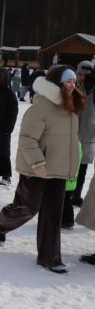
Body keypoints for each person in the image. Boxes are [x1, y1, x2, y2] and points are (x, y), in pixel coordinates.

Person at [0, 66, 84, 274]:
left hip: (58, 171)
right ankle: (1, 222)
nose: (73, 85)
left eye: (74, 82)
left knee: (53, 215)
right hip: (36, 170)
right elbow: (26, 139)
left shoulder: (71, 109)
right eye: (68, 81)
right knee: (27, 208)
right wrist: (38, 164)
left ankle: (50, 258)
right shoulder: (40, 108)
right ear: (57, 83)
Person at [72, 61, 95, 208]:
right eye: (78, 74)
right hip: (71, 133)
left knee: (82, 168)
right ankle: (66, 194)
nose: (80, 77)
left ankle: (76, 195)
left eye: (83, 75)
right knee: (69, 167)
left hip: (88, 134)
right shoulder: (71, 87)